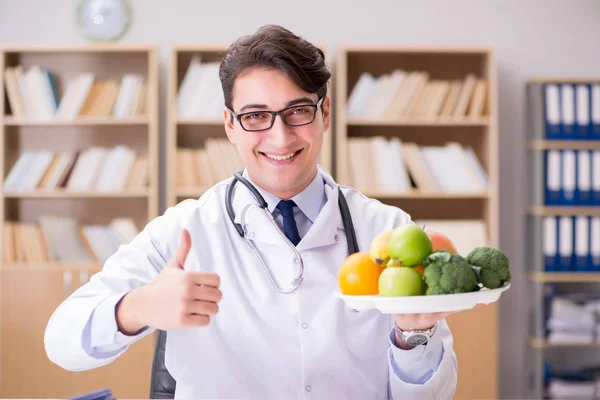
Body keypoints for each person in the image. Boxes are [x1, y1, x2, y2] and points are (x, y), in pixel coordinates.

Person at [44, 24, 458, 399]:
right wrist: (136, 308)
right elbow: (61, 343)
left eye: (298, 111)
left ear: (324, 114)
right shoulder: (186, 229)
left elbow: (430, 397)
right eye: (256, 116)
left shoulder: (389, 230)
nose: (280, 138)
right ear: (230, 125)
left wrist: (414, 336)